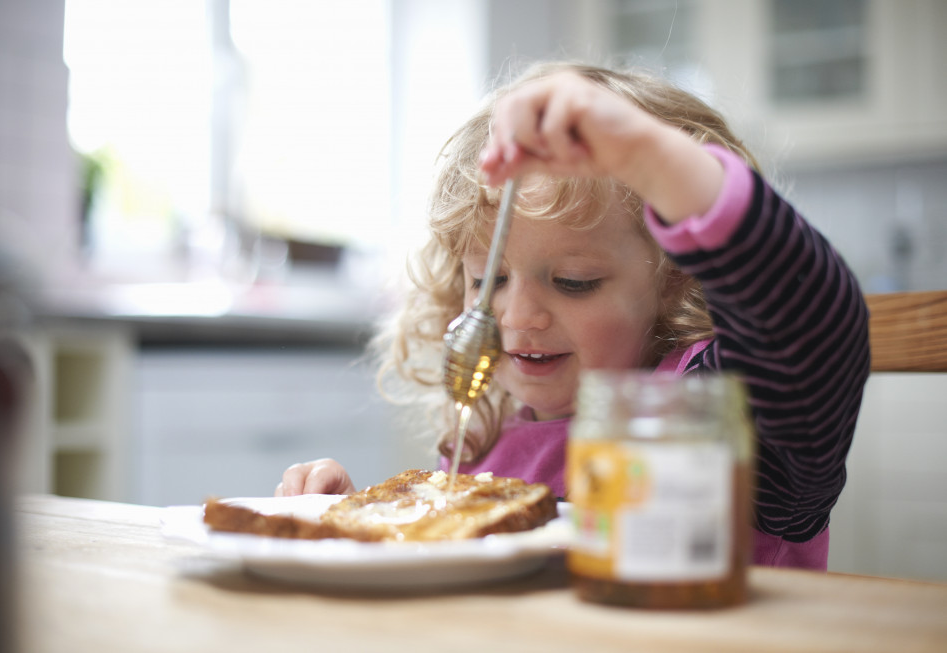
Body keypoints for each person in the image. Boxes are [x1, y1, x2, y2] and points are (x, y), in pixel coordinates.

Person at [275, 61, 870, 570]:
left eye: (573, 282)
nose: (518, 316)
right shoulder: (485, 445)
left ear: (675, 275)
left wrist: (658, 162)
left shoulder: (707, 413)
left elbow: (813, 330)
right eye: (489, 281)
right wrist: (358, 526)